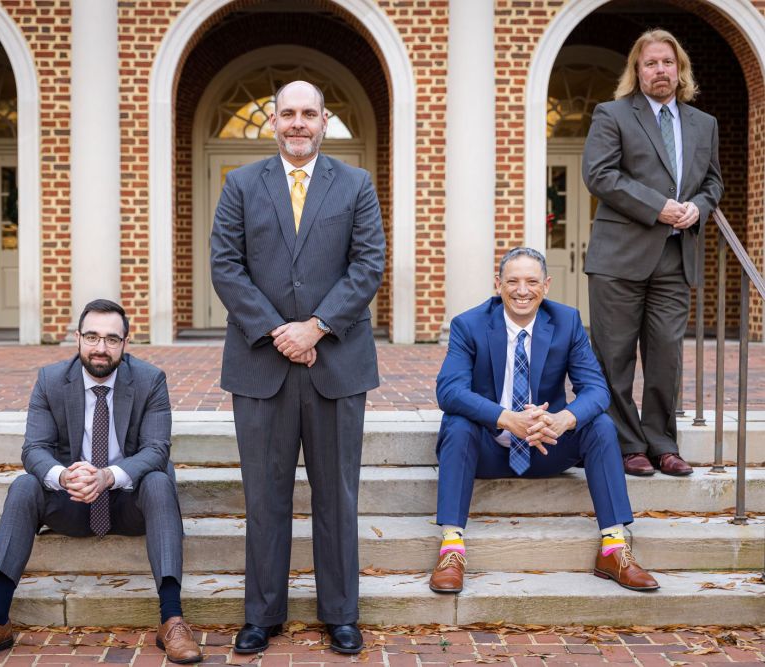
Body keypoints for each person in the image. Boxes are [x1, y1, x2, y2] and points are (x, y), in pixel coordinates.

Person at [210, 80, 385, 654]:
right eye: (288, 113)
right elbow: (226, 266)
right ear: (274, 122)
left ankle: (340, 613)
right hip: (262, 364)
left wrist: (317, 326)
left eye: (309, 113)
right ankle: (262, 614)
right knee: (265, 496)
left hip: (337, 360)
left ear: (325, 120)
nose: (298, 123)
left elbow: (368, 265)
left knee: (337, 496)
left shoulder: (356, 184)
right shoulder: (240, 185)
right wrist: (279, 332)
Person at [0, 299, 201, 665]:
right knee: (23, 486)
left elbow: (156, 450)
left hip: (129, 503)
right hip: (72, 501)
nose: (101, 348)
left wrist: (107, 476)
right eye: (92, 337)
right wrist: (64, 476)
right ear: (77, 338)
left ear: (125, 343)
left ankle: (172, 620)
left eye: (112, 339)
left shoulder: (150, 381)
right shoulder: (51, 380)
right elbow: (34, 448)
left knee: (160, 481)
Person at [430, 247, 659, 595]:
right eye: (513, 281)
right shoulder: (469, 324)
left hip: (547, 446)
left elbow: (596, 389)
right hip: (488, 450)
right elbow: (449, 391)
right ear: (498, 284)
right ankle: (451, 549)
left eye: (532, 281)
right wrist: (507, 419)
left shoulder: (566, 322)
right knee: (458, 423)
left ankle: (614, 549)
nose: (523, 290)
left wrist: (562, 420)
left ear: (546, 285)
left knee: (600, 426)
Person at [583, 28, 723, 477]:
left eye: (667, 62)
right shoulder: (613, 115)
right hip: (619, 256)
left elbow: (713, 183)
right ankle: (626, 446)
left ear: (679, 69)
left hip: (675, 255)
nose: (660, 70)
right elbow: (599, 174)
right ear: (637, 71)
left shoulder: (704, 124)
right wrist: (658, 206)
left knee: (666, 354)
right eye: (650, 63)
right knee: (615, 356)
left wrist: (697, 208)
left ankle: (662, 444)